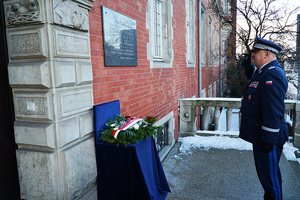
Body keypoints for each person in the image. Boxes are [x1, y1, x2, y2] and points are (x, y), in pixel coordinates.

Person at [239, 36, 288, 200]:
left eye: (255, 53)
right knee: (266, 178)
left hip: (268, 138)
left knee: (271, 180)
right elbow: (257, 86)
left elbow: (272, 109)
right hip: (262, 136)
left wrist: (269, 137)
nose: (252, 55)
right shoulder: (264, 72)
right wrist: (249, 69)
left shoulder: (272, 74)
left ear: (267, 54)